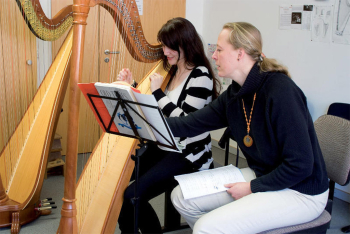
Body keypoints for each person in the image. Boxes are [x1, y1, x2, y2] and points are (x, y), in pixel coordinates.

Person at [168, 22, 329, 233]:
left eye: (219, 49)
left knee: (205, 228)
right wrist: (141, 122)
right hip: (265, 174)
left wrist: (252, 188)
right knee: (180, 197)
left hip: (301, 190)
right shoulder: (235, 94)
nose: (213, 55)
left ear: (239, 54)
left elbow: (301, 165)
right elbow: (190, 124)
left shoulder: (280, 91)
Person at [117, 17, 221, 233]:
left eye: (169, 46)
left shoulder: (200, 76)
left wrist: (156, 92)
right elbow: (155, 109)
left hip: (187, 154)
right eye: (163, 45)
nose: (165, 52)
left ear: (185, 44)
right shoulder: (171, 71)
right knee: (117, 188)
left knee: (132, 196)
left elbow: (184, 121)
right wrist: (132, 86)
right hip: (164, 146)